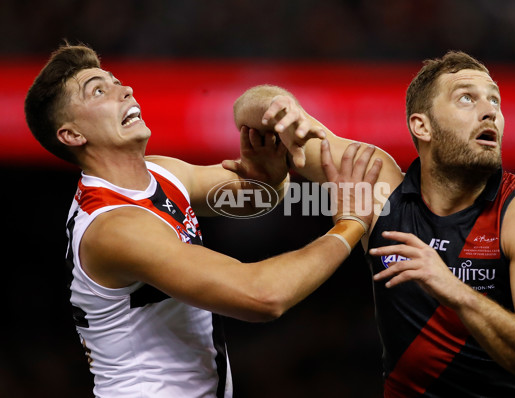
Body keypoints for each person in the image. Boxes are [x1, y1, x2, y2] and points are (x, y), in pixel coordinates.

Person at [23, 43, 383, 398]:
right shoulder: (116, 228)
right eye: (99, 91)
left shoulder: (160, 172)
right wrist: (349, 224)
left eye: (116, 80)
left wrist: (270, 177)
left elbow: (253, 196)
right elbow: (263, 297)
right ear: (72, 135)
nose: (124, 89)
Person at [233, 51, 515, 397]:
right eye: (466, 98)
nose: (490, 112)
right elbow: (250, 108)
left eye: (494, 101)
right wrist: (282, 104)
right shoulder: (380, 185)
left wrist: (455, 290)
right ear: (421, 126)